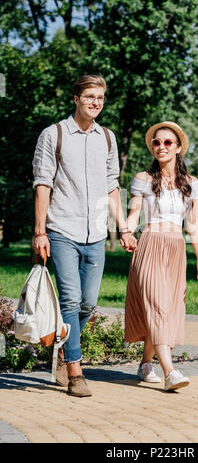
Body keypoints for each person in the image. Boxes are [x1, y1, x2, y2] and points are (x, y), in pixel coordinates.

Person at [32, 75, 136, 397]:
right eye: (90, 96)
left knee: (88, 301)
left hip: (95, 234)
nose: (95, 103)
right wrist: (40, 232)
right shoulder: (55, 135)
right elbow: (43, 184)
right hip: (62, 229)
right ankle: (75, 371)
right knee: (71, 299)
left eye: (100, 98)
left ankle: (63, 345)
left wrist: (123, 226)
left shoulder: (107, 138)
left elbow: (111, 185)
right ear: (76, 98)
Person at [124, 121, 198, 391]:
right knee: (157, 306)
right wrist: (126, 233)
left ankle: (145, 365)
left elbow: (193, 224)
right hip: (150, 245)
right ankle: (170, 372)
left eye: (167, 142)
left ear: (178, 148)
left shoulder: (191, 183)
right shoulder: (143, 179)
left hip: (176, 249)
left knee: (169, 309)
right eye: (156, 142)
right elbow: (134, 213)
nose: (161, 147)